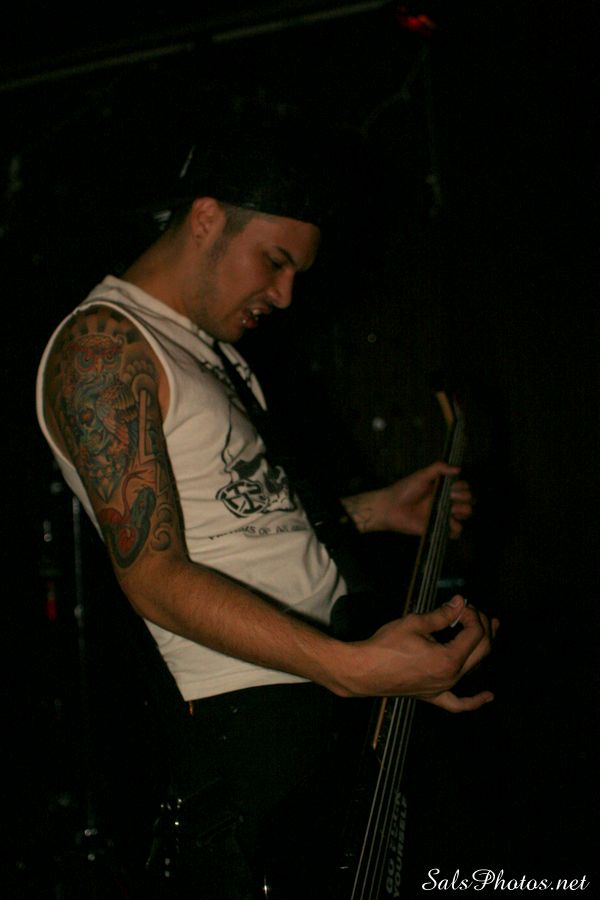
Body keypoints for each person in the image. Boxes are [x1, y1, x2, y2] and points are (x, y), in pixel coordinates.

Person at [36, 122, 496, 898]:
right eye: (275, 261)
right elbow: (154, 575)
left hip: (319, 679)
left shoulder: (206, 347)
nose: (284, 294)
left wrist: (374, 511)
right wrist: (351, 669)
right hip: (250, 714)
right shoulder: (105, 345)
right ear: (207, 218)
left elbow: (238, 521)